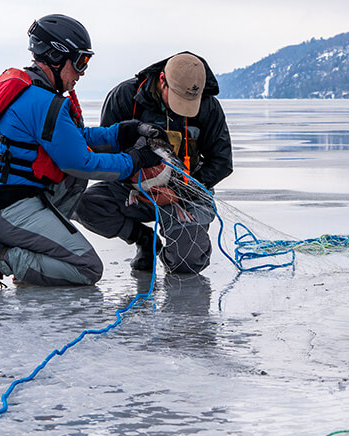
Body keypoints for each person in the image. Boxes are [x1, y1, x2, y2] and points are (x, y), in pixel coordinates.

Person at [0, 14, 164, 288]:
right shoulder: (43, 102)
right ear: (55, 56)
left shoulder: (32, 90)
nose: (82, 72)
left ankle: (25, 248)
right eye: (79, 62)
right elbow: (82, 162)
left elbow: (73, 138)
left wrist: (123, 132)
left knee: (73, 173)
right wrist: (134, 160)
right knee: (87, 268)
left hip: (4, 199)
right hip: (12, 208)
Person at [75, 52, 233, 274]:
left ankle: (173, 254)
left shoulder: (209, 106)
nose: (182, 108)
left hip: (186, 195)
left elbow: (222, 162)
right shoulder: (124, 96)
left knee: (188, 262)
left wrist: (179, 193)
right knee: (82, 204)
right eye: (178, 98)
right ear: (162, 80)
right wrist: (134, 182)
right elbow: (107, 153)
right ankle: (144, 239)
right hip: (132, 190)